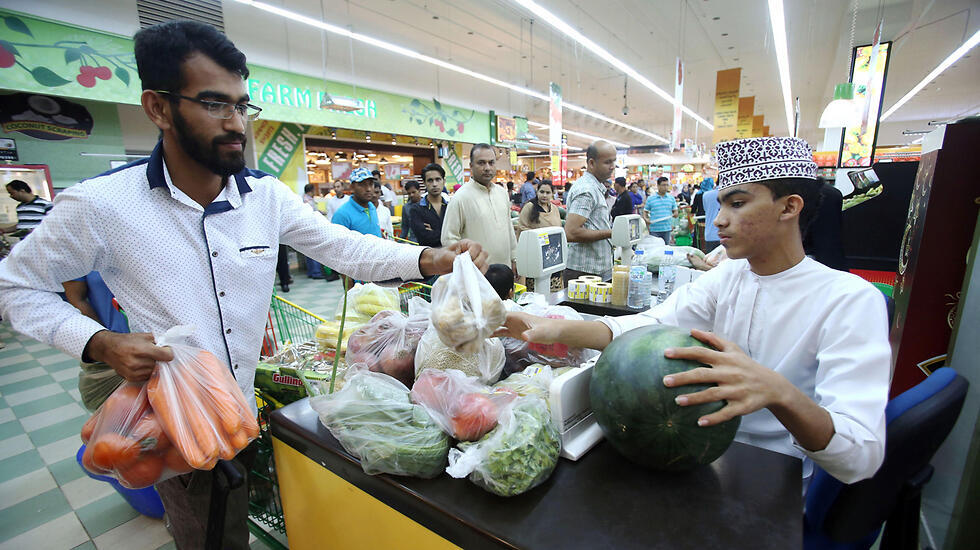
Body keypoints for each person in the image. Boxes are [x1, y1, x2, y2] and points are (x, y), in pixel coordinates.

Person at [0, 21, 488, 549]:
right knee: (207, 532)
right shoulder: (101, 206)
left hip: (245, 406)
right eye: (214, 104)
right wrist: (99, 342)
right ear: (159, 107)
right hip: (176, 417)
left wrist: (429, 257)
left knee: (240, 518)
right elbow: (15, 287)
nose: (235, 123)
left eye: (241, 105)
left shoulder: (265, 197)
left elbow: (345, 248)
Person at [495, 136, 889, 489]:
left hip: (773, 481)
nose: (718, 221)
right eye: (721, 205)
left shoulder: (850, 301)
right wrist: (549, 327)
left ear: (789, 207)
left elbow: (860, 458)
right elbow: (649, 325)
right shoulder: (731, 276)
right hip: (697, 461)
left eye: (737, 204)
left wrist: (779, 393)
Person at [442, 144, 518, 272]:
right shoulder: (460, 198)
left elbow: (509, 228)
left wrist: (514, 258)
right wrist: (467, 267)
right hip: (477, 274)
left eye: (491, 163)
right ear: (471, 166)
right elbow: (449, 239)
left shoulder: (502, 193)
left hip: (505, 270)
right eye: (481, 163)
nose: (487, 168)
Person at [564, 140, 615, 282]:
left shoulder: (595, 187)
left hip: (594, 269)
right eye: (607, 162)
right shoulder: (587, 190)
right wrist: (611, 233)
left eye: (614, 161)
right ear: (591, 163)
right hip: (584, 273)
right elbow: (571, 232)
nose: (612, 167)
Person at [409, 163, 449, 249]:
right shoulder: (416, 209)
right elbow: (425, 238)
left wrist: (434, 232)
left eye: (438, 179)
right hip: (429, 258)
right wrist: (447, 234)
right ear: (424, 183)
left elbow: (460, 234)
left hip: (451, 256)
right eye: (430, 180)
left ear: (444, 181)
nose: (434, 184)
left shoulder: (450, 207)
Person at [301, 183, 325, 279]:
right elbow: (311, 214)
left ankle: (311, 272)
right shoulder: (309, 201)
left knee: (308, 252)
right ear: (311, 191)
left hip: (304, 230)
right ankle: (316, 272)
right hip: (310, 229)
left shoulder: (303, 199)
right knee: (315, 251)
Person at [644, 176, 677, 244]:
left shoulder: (671, 198)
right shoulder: (651, 198)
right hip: (654, 229)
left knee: (665, 249)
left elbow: (675, 212)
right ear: (658, 186)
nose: (666, 187)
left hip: (667, 229)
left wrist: (675, 214)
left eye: (667, 185)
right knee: (655, 249)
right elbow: (645, 212)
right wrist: (646, 219)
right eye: (663, 185)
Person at [702, 180, 721, 252]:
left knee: (711, 261)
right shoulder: (730, 194)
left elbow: (706, 209)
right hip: (727, 235)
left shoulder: (706, 195)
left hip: (710, 234)